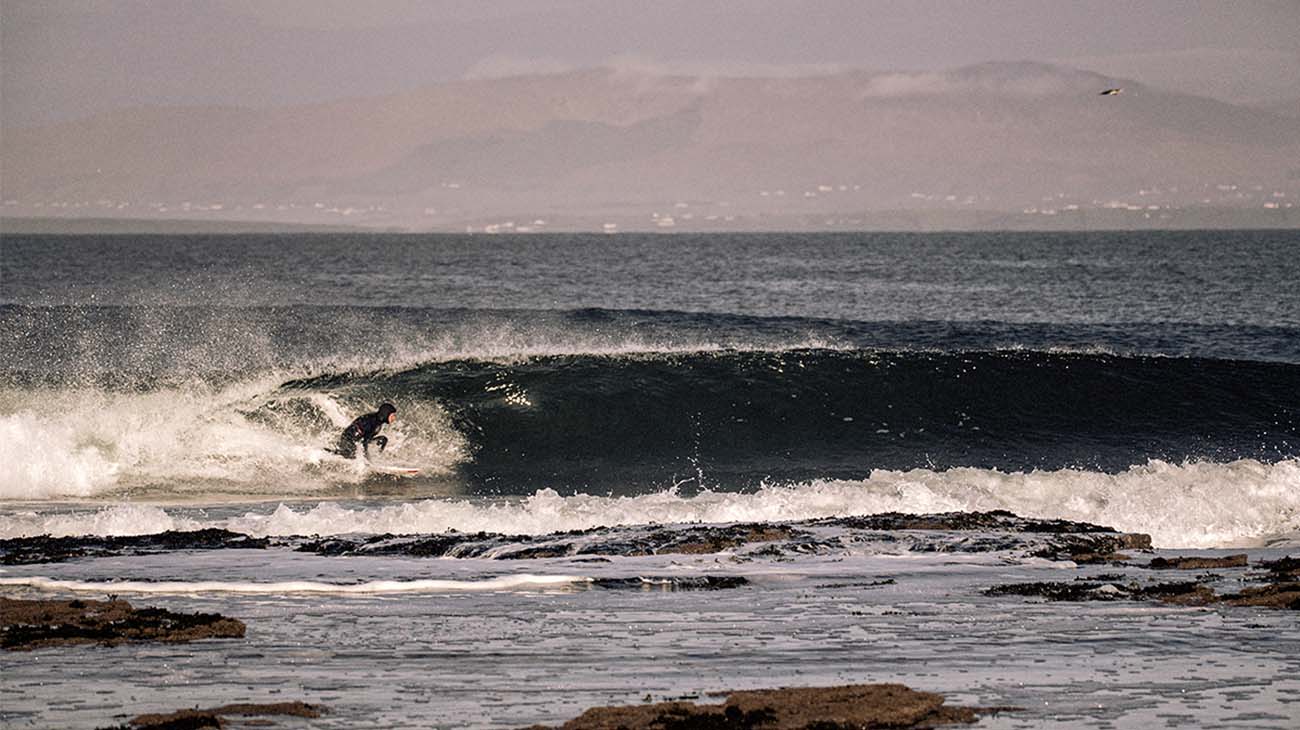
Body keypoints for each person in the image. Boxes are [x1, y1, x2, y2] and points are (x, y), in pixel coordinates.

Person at [331, 402, 397, 459]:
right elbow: (363, 442)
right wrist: (367, 460)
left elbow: (366, 440)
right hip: (349, 439)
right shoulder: (371, 421)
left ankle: (377, 457)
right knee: (353, 454)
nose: (394, 418)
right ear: (386, 414)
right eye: (392, 415)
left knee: (383, 439)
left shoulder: (378, 421)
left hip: (358, 439)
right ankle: (335, 453)